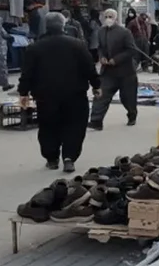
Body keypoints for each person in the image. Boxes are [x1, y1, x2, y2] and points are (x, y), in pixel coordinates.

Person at [18, 12, 100, 173]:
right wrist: (96, 85)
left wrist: (23, 93)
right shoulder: (77, 44)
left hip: (45, 95)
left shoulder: (35, 47)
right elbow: (89, 67)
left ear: (46, 26)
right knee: (75, 125)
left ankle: (52, 158)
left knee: (48, 125)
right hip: (74, 94)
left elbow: (27, 72)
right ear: (63, 25)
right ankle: (69, 157)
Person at [88, 8, 138, 130]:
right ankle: (96, 120)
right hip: (108, 71)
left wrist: (116, 59)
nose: (108, 19)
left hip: (125, 71)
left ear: (116, 19)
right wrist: (102, 57)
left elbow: (131, 50)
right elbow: (100, 48)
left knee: (127, 97)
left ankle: (132, 114)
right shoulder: (100, 31)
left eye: (111, 17)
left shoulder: (125, 32)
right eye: (106, 16)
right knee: (101, 95)